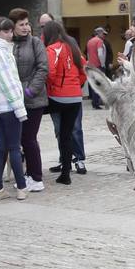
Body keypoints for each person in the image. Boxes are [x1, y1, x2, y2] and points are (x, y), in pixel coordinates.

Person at [0, 17, 29, 200]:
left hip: (0, 106)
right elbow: (8, 82)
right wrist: (19, 108)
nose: (9, 34)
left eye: (10, 31)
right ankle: (21, 188)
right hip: (8, 105)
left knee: (1, 148)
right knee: (14, 148)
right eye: (6, 31)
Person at [43, 21, 89, 185]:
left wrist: (51, 87)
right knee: (67, 134)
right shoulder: (74, 48)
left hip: (57, 96)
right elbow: (84, 71)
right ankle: (66, 173)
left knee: (60, 133)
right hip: (75, 97)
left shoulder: (52, 49)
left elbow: (50, 73)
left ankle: (64, 169)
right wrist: (77, 84)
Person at [8, 9, 49, 192]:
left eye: (27, 24)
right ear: (13, 27)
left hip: (33, 98)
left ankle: (36, 177)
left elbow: (43, 68)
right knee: (19, 139)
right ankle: (28, 173)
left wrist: (31, 90)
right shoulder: (8, 44)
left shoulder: (35, 43)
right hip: (14, 97)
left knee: (29, 138)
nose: (25, 27)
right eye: (21, 24)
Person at [86, 27, 109, 108]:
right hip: (98, 66)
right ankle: (97, 103)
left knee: (94, 84)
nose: (104, 35)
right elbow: (100, 53)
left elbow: (88, 54)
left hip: (91, 65)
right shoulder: (99, 41)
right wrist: (102, 64)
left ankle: (94, 102)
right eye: (103, 34)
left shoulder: (89, 41)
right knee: (100, 85)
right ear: (99, 33)